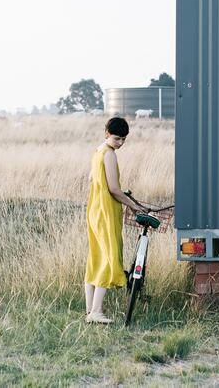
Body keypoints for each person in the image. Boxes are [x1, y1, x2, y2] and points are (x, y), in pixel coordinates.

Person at [84, 116, 143, 324]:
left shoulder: (98, 151)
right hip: (106, 211)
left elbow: (93, 179)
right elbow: (114, 189)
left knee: (96, 258)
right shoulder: (109, 155)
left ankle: (89, 311)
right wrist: (133, 205)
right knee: (109, 258)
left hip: (95, 210)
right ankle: (96, 311)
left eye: (124, 140)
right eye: (117, 139)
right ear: (107, 133)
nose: (120, 144)